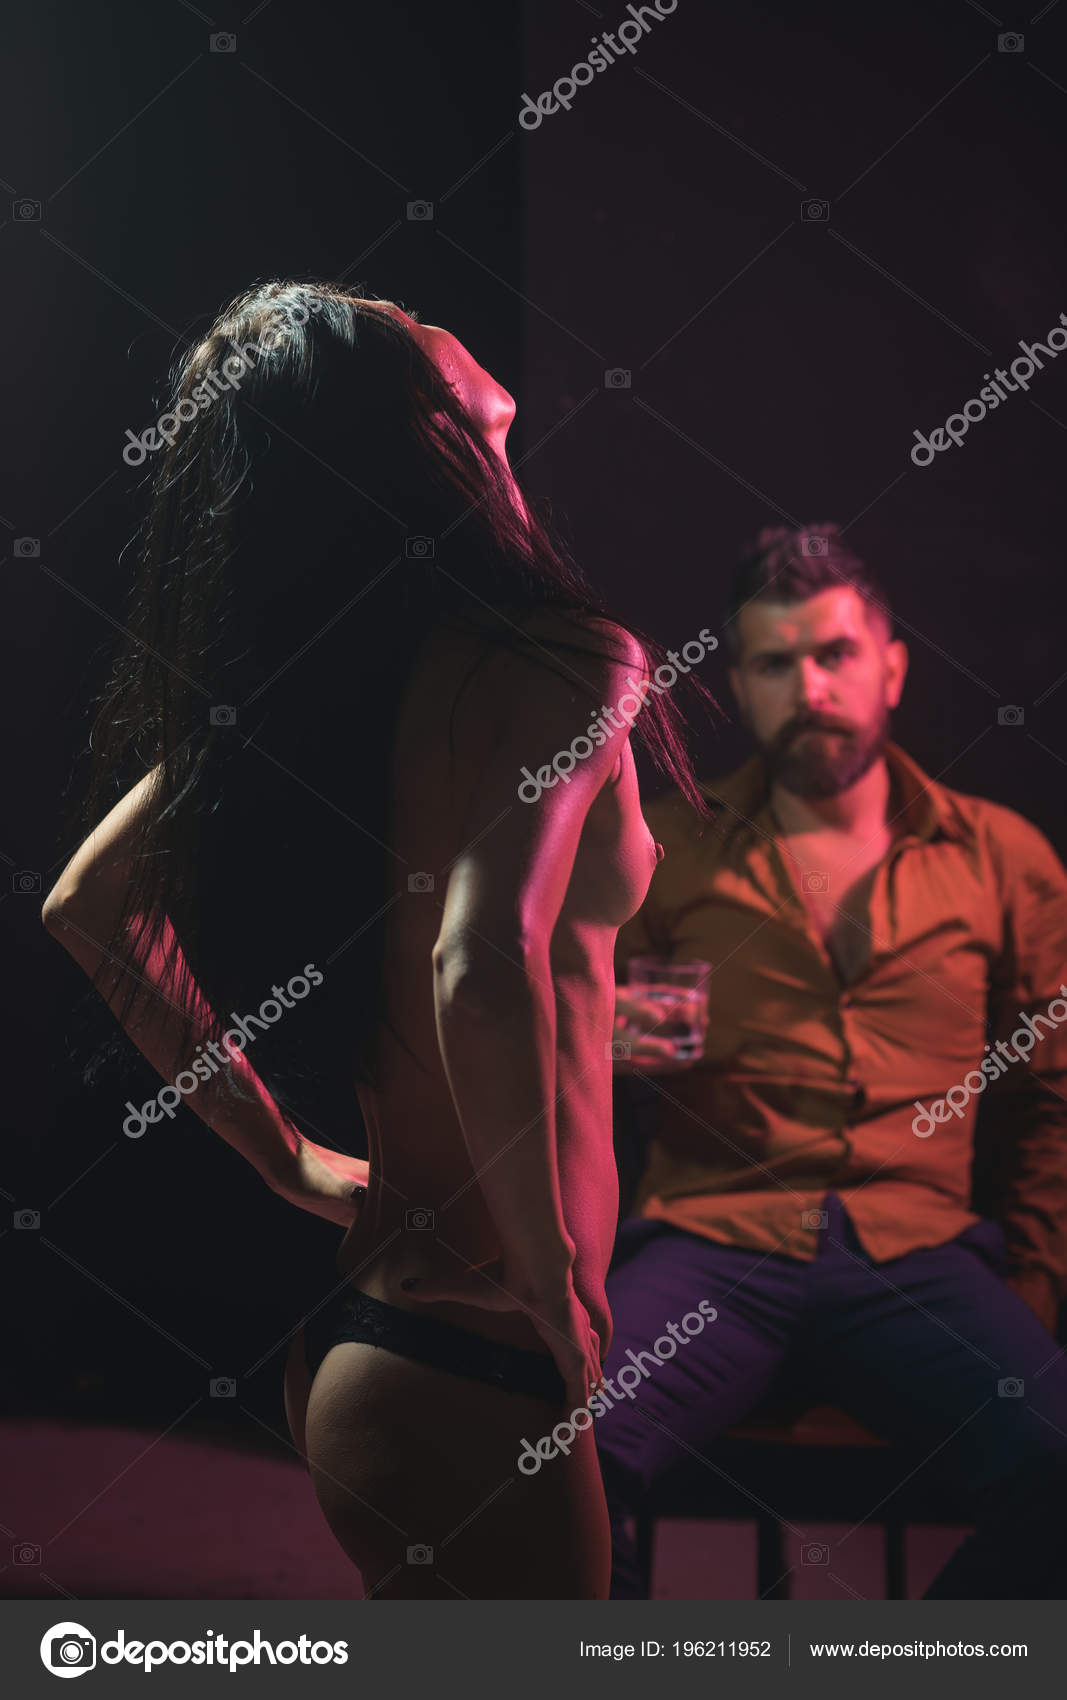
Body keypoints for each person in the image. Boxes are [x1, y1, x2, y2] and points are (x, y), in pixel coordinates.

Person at [41, 280, 716, 1600]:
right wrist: (547, 1271)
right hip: (475, 1340)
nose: (404, 299)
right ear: (416, 419)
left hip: (394, 1331)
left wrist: (287, 1159)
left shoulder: (331, 673)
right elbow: (477, 961)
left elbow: (88, 909)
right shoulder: (572, 656)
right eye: (385, 314)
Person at [600, 523, 1067, 1599]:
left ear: (890, 667)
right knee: (552, 1454)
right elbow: (573, 1061)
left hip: (918, 1255)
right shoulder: (664, 846)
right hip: (712, 1243)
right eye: (775, 662)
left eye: (834, 654)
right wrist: (624, 1030)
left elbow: (1050, 1100)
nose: (808, 688)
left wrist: (1035, 1289)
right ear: (738, 684)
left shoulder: (1000, 856)